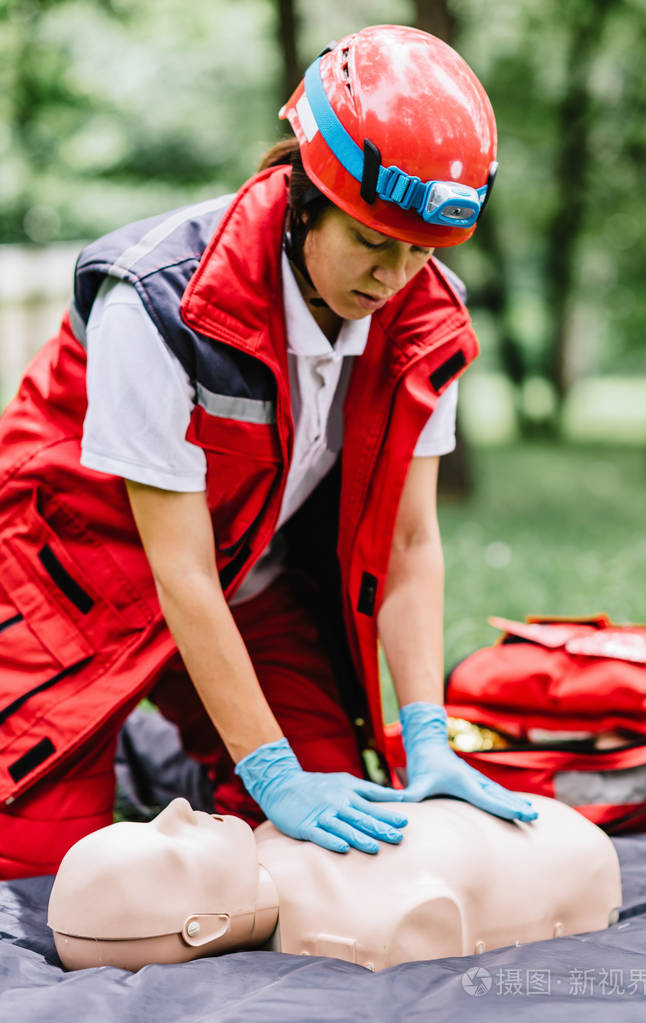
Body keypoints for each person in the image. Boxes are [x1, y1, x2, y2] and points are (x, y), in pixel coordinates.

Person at [0, 24, 536, 881]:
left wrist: (426, 732)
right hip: (75, 584)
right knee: (39, 873)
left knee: (330, 840)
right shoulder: (155, 296)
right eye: (370, 240)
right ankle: (124, 728)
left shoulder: (427, 312)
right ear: (302, 191)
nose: (394, 278)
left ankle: (172, 752)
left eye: (420, 250)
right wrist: (270, 768)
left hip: (245, 583)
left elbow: (408, 542)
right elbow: (177, 570)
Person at [48, 796, 621, 972]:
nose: (176, 808)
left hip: (542, 825)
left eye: (148, 821)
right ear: (203, 928)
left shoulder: (272, 832)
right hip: (570, 859)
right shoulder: (366, 927)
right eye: (171, 850)